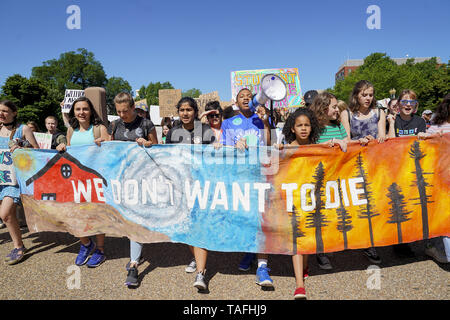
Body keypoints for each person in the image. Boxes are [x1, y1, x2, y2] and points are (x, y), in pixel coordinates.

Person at [221, 88, 274, 287]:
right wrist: (235, 146)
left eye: (248, 96)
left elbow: (270, 144)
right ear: (236, 101)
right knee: (246, 217)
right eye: (241, 96)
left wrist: (267, 122)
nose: (245, 98)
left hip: (260, 174)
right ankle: (250, 251)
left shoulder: (262, 119)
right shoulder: (227, 123)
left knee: (261, 218)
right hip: (239, 177)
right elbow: (224, 152)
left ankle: (262, 266)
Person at [107, 92, 158, 287]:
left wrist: (148, 144)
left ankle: (133, 264)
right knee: (128, 217)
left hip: (142, 179)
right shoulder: (115, 125)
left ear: (133, 107)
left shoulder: (146, 124)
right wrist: (100, 144)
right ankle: (136, 247)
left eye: (125, 111)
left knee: (136, 218)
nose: (122, 115)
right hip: (121, 179)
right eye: (119, 111)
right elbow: (110, 148)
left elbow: (158, 148)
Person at [165, 97, 216, 291]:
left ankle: (201, 273)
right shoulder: (173, 132)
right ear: (178, 112)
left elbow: (214, 157)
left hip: (201, 185)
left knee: (199, 226)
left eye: (189, 110)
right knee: (187, 227)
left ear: (195, 111)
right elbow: (166, 158)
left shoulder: (204, 130)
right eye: (182, 110)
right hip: (181, 186)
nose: (185, 113)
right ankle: (195, 258)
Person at [56, 96, 109, 268]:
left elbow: (112, 149)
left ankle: (100, 250)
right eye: (78, 109)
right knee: (75, 215)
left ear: (91, 110)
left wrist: (105, 143)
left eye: (85, 109)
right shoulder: (71, 130)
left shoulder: (99, 128)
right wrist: (62, 148)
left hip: (95, 180)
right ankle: (86, 244)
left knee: (97, 216)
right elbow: (69, 153)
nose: (81, 112)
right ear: (74, 112)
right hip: (76, 181)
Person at [274, 107, 321, 299]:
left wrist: (338, 143)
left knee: (307, 237)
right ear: (292, 128)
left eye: (307, 125)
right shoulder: (284, 147)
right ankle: (299, 284)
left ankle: (306, 264)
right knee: (296, 240)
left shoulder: (318, 147)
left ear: (312, 128)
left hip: (310, 198)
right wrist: (277, 151)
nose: (303, 128)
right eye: (299, 125)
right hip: (291, 198)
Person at [308, 92, 349, 269]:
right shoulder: (314, 127)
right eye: (334, 107)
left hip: (336, 177)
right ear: (324, 108)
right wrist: (328, 144)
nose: (337, 110)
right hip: (319, 179)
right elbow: (310, 148)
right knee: (320, 215)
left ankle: (331, 244)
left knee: (333, 212)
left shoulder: (338, 125)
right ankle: (321, 253)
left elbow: (348, 142)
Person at [0, 100, 39, 264]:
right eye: (0, 111)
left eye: (5, 111)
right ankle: (18, 245)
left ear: (14, 112)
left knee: (5, 214)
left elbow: (37, 151)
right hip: (0, 179)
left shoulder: (23, 129)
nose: (1, 114)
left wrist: (22, 146)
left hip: (14, 180)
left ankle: (19, 246)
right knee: (8, 217)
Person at [419, 94, 450, 264]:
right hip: (442, 180)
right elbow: (423, 144)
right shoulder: (437, 127)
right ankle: (439, 250)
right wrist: (427, 137)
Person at [341, 80, 387, 147]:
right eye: (364, 95)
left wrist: (373, 140)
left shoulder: (379, 113)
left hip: (375, 153)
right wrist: (360, 141)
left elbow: (382, 138)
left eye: (370, 95)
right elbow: (346, 141)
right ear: (356, 96)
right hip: (356, 154)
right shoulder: (346, 114)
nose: (368, 98)